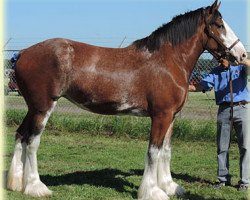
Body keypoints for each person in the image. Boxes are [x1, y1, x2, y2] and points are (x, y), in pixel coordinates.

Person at [189, 58, 250, 191]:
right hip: (224, 110)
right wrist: (183, 87)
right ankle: (223, 179)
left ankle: (245, 181)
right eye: (218, 58)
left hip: (242, 108)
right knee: (222, 146)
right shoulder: (215, 72)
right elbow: (200, 86)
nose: (220, 60)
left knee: (245, 146)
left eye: (222, 57)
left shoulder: (240, 68)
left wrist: (240, 61)